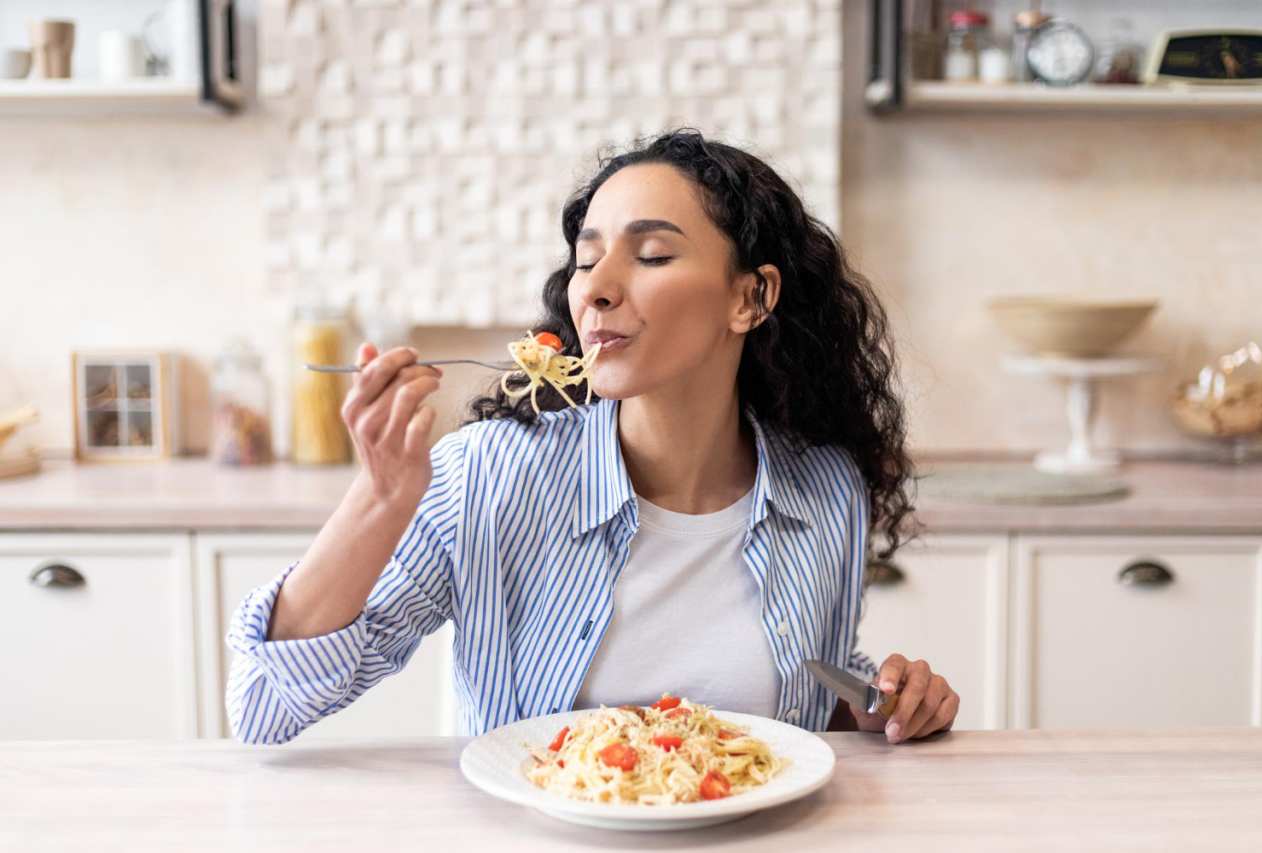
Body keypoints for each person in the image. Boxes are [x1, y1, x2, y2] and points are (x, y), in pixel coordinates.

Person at [226, 129, 959, 745]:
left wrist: (885, 701)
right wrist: (381, 499)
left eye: (651, 256)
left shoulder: (825, 490)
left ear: (750, 296)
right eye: (585, 258)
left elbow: (804, 698)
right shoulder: (490, 475)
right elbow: (263, 706)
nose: (595, 288)